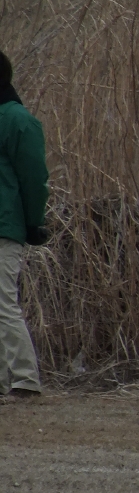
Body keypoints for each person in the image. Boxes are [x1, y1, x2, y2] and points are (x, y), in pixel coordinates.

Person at [0, 51, 49, 399]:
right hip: (7, 224)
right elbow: (34, 178)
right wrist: (33, 223)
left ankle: (25, 380)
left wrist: (32, 222)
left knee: (3, 304)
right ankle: (16, 380)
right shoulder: (18, 119)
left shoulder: (17, 120)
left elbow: (33, 178)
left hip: (4, 225)